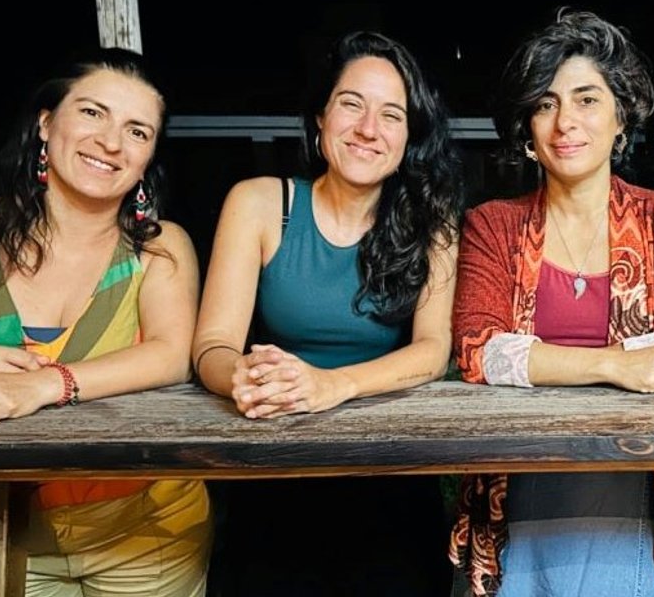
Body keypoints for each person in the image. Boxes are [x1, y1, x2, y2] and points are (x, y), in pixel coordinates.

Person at [0, 48, 210, 596]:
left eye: (138, 132)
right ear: (46, 123)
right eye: (93, 112)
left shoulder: (159, 248)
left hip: (147, 530)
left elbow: (172, 355)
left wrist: (44, 384)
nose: (111, 143)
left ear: (149, 157)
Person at [448, 10, 654, 597]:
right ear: (528, 129)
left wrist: (533, 359)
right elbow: (477, 350)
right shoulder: (493, 225)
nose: (565, 121)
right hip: (519, 485)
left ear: (622, 116)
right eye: (545, 104)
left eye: (587, 99)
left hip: (633, 483)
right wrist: (613, 364)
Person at [192, 30, 461, 596]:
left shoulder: (432, 225)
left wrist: (332, 385)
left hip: (389, 468)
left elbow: (433, 351)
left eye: (391, 115)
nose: (368, 128)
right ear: (320, 118)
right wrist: (242, 375)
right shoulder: (260, 202)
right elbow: (213, 344)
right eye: (351, 104)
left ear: (409, 136)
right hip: (275, 456)